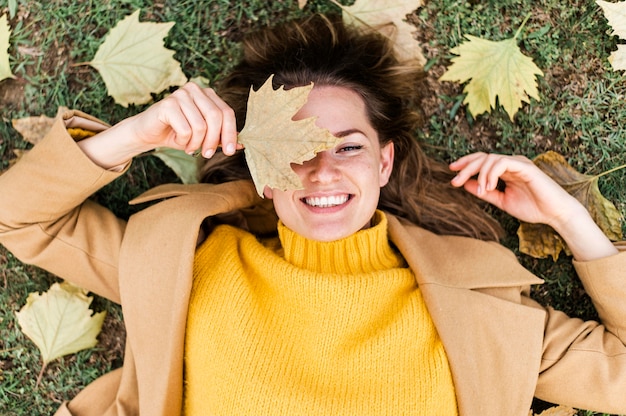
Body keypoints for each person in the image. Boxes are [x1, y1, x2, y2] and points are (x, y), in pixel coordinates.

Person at [0, 13, 625, 416]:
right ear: (262, 173)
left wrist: (571, 222)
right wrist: (136, 134)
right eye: (293, 151)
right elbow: (20, 219)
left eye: (348, 147)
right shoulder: (189, 264)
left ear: (383, 162)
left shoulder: (478, 306)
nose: (322, 172)